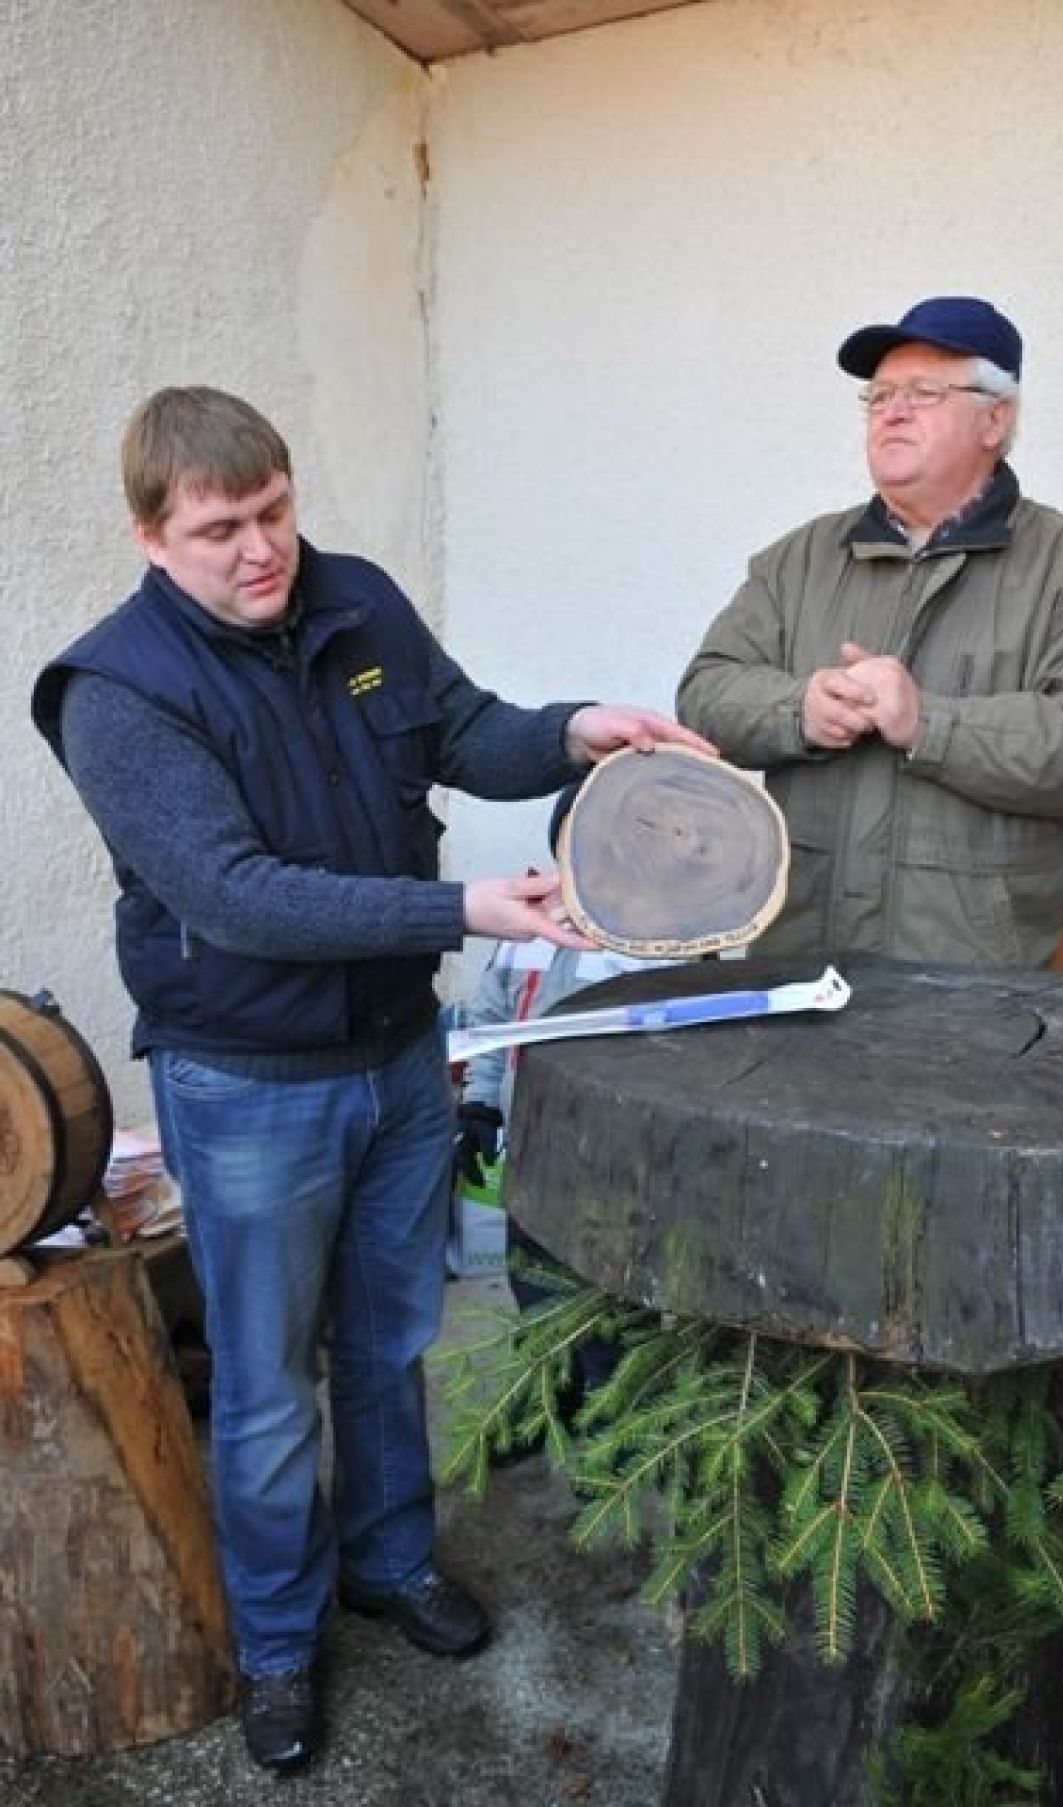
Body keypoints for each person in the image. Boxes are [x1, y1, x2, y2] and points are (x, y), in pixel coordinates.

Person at [30, 386, 712, 1774]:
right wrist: (465, 909)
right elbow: (236, 894)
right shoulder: (118, 692)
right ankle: (280, 1642)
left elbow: (464, 729)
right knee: (269, 1383)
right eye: (221, 529)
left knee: (393, 1338)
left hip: (398, 1057)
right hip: (249, 1082)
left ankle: (390, 1562)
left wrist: (576, 729)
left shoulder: (358, 601)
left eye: (274, 510)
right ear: (150, 536)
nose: (261, 549)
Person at [676, 295, 1063, 970]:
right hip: (798, 965)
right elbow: (705, 693)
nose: (892, 412)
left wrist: (930, 723)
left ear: (995, 418)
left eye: (924, 392)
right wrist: (798, 709)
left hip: (972, 983)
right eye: (879, 396)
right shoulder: (800, 558)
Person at [454, 785, 675, 1434]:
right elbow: (491, 1020)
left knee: (609, 1295)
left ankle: (615, 1427)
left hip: (614, 1161)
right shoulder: (526, 925)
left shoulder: (661, 939)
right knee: (532, 1280)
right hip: (530, 1148)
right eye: (576, 838)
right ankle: (547, 1403)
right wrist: (478, 1105)